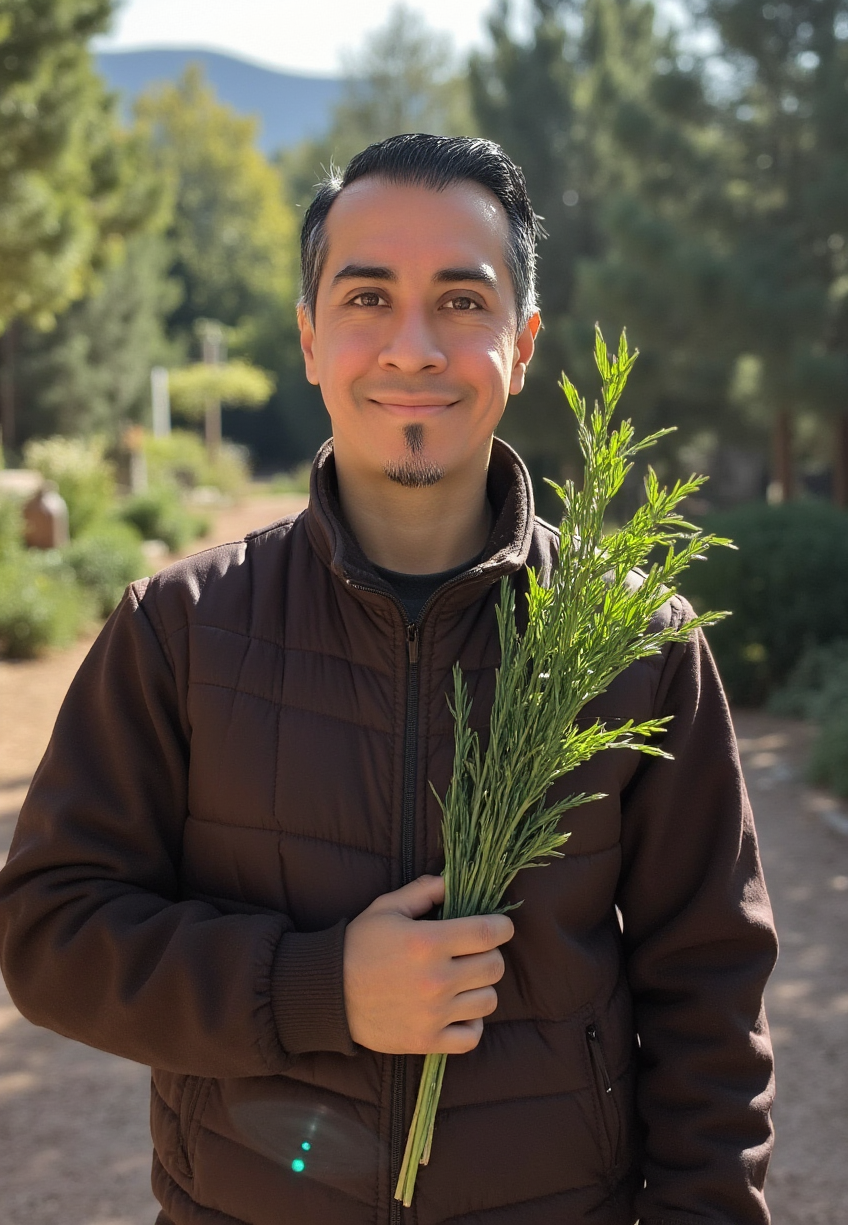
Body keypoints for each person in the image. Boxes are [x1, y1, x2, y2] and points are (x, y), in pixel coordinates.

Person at [0, 134, 777, 1225]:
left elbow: (709, 991)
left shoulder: (634, 642)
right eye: (367, 298)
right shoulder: (180, 629)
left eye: (462, 301)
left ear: (522, 344)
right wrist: (318, 988)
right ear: (310, 339)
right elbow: (51, 935)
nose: (412, 347)